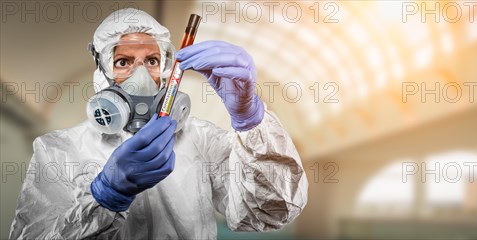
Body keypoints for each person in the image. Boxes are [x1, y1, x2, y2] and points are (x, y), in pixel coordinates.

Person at [9, 8, 308, 239]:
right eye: (123, 62)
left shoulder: (201, 139)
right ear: (101, 68)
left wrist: (249, 119)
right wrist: (105, 197)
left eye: (152, 61)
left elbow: (270, 213)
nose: (141, 77)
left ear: (165, 68)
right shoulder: (58, 150)